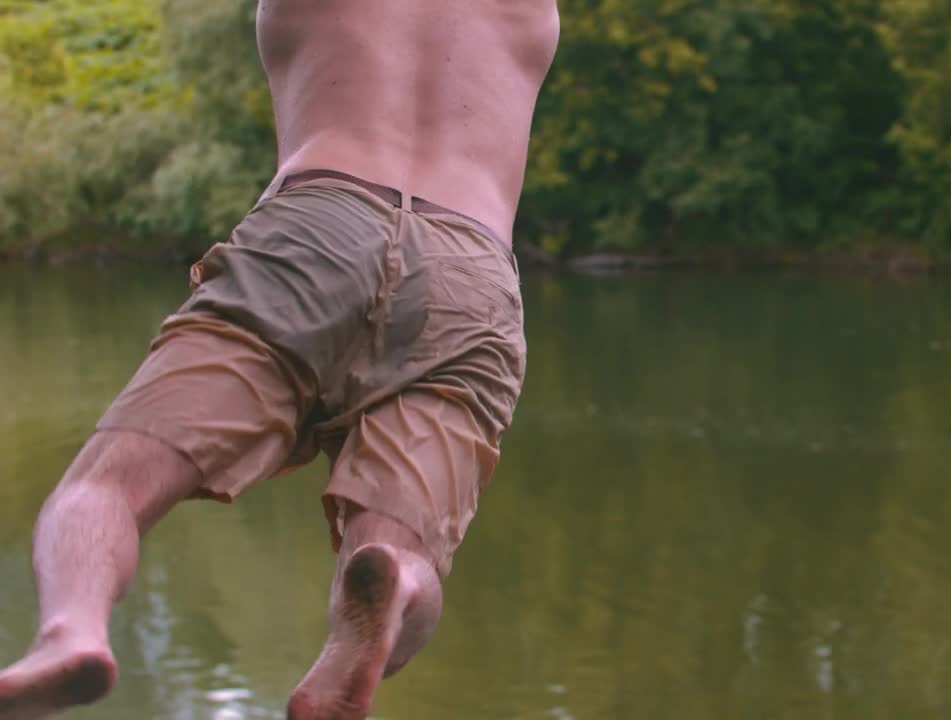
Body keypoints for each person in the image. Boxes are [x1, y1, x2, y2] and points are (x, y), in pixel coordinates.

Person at [0, 0, 560, 717]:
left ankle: (70, 632)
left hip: (318, 225)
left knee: (109, 488)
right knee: (406, 554)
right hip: (470, 267)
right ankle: (395, 587)